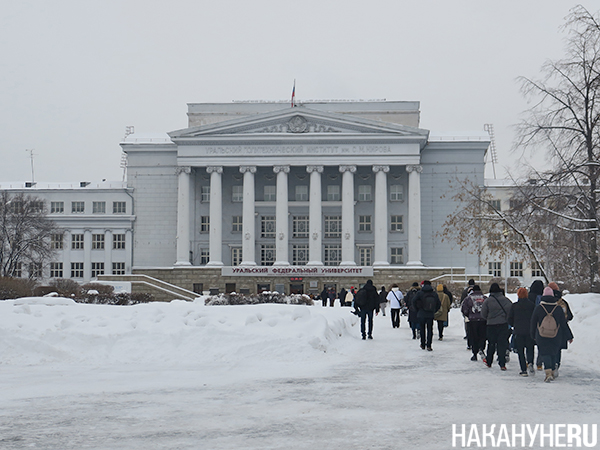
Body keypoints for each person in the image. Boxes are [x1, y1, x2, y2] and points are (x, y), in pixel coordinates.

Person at [530, 286, 574, 382]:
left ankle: (548, 372)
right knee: (553, 352)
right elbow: (563, 324)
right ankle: (553, 370)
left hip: (541, 335)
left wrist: (533, 335)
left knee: (545, 352)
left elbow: (533, 323)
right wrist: (569, 336)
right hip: (556, 335)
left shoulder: (539, 308)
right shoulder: (558, 309)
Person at [481, 282, 512, 370]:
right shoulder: (506, 300)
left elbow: (483, 314)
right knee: (502, 344)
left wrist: (489, 318)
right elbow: (510, 312)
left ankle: (489, 361)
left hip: (491, 325)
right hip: (503, 324)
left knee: (491, 343)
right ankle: (502, 363)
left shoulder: (487, 301)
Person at [508, 287, 536, 376]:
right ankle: (530, 362)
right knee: (530, 348)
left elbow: (510, 319)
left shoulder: (514, 306)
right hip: (529, 331)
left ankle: (523, 370)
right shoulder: (532, 305)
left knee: (520, 351)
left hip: (518, 331)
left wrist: (514, 325)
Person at [549, 282, 574, 377]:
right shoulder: (563, 302)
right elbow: (570, 316)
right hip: (561, 329)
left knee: (549, 347)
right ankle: (556, 364)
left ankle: (550, 365)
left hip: (549, 328)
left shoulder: (547, 302)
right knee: (558, 348)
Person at [461, 285, 487, 361]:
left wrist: (468, 315)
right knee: (482, 336)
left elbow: (464, 309)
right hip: (483, 320)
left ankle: (474, 354)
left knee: (474, 337)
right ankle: (481, 348)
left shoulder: (468, 298)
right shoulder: (485, 298)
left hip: (473, 321)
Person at [414, 280, 441, 351]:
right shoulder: (434, 294)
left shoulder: (419, 293)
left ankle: (423, 344)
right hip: (430, 314)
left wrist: (417, 310)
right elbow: (438, 303)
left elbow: (413, 301)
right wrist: (434, 310)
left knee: (422, 329)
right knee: (430, 329)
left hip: (421, 313)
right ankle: (429, 345)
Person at [528, 279, 545, 369]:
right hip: (541, 323)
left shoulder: (529, 296)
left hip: (530, 322)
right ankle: (539, 363)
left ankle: (529, 361)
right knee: (541, 344)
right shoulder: (543, 297)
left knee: (529, 343)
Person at [461, 279, 475, 344]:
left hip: (467, 311)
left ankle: (468, 334)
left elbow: (462, 301)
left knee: (467, 323)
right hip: (476, 310)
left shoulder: (465, 291)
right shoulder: (477, 290)